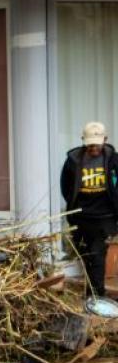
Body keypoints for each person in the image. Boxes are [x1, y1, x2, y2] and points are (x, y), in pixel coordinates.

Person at [61, 121, 118, 298]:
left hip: (105, 216)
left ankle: (98, 295)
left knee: (98, 254)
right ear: (83, 141)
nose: (93, 148)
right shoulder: (73, 161)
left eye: (97, 144)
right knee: (86, 255)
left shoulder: (113, 160)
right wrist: (73, 205)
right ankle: (91, 292)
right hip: (81, 216)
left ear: (105, 140)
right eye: (90, 145)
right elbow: (66, 186)